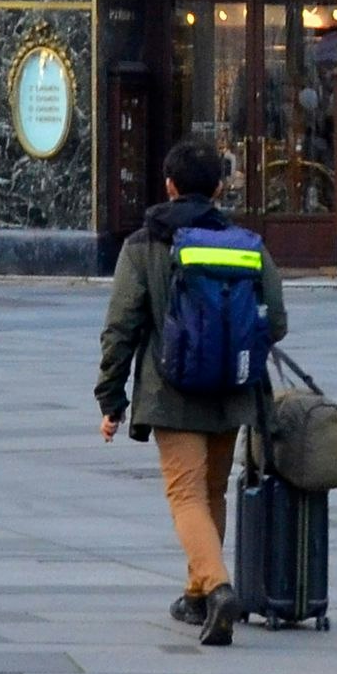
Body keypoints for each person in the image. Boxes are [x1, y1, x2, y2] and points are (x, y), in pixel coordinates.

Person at [94, 137, 287, 647]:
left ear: (169, 185)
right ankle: (196, 593)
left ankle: (218, 588)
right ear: (221, 188)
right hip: (231, 389)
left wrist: (110, 400)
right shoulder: (247, 244)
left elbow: (121, 327)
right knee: (211, 493)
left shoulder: (143, 245)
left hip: (171, 388)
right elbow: (278, 322)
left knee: (185, 494)